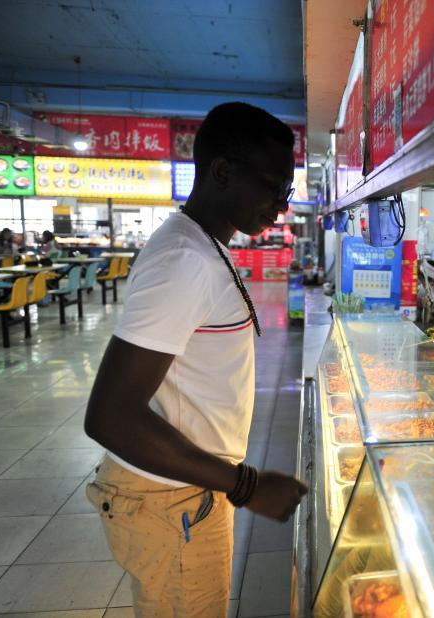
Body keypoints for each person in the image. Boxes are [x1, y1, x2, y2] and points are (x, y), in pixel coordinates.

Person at [85, 102, 308, 616]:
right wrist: (247, 486)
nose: (281, 205)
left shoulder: (206, 246)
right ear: (222, 171)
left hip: (188, 486)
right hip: (169, 498)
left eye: (287, 189)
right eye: (272, 185)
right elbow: (111, 417)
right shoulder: (184, 259)